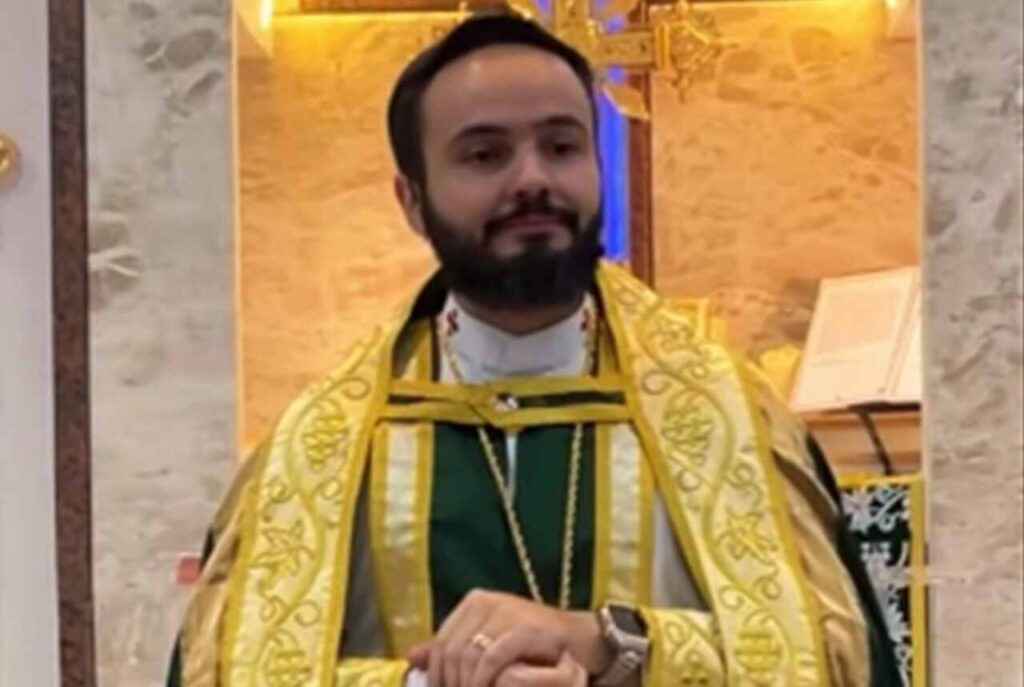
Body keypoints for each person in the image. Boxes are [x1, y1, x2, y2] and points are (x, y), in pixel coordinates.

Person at [167, 14, 900, 687]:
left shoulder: (731, 422)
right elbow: (229, 671)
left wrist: (614, 644)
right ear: (411, 200)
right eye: (485, 154)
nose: (534, 180)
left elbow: (839, 663)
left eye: (561, 145)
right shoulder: (316, 450)